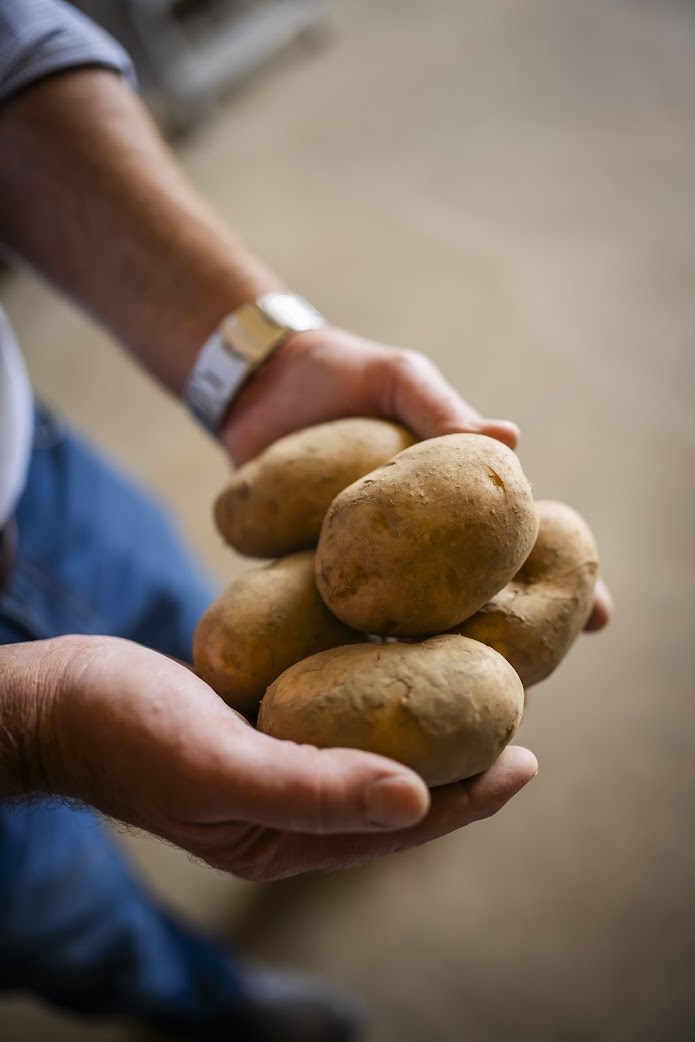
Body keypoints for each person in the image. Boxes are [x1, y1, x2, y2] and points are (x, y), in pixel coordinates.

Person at [0, 2, 612, 1040]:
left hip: (30, 467)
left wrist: (249, 356)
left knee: (205, 649)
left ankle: (295, 778)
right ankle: (207, 1002)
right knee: (52, 913)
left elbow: (9, 52)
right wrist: (38, 726)